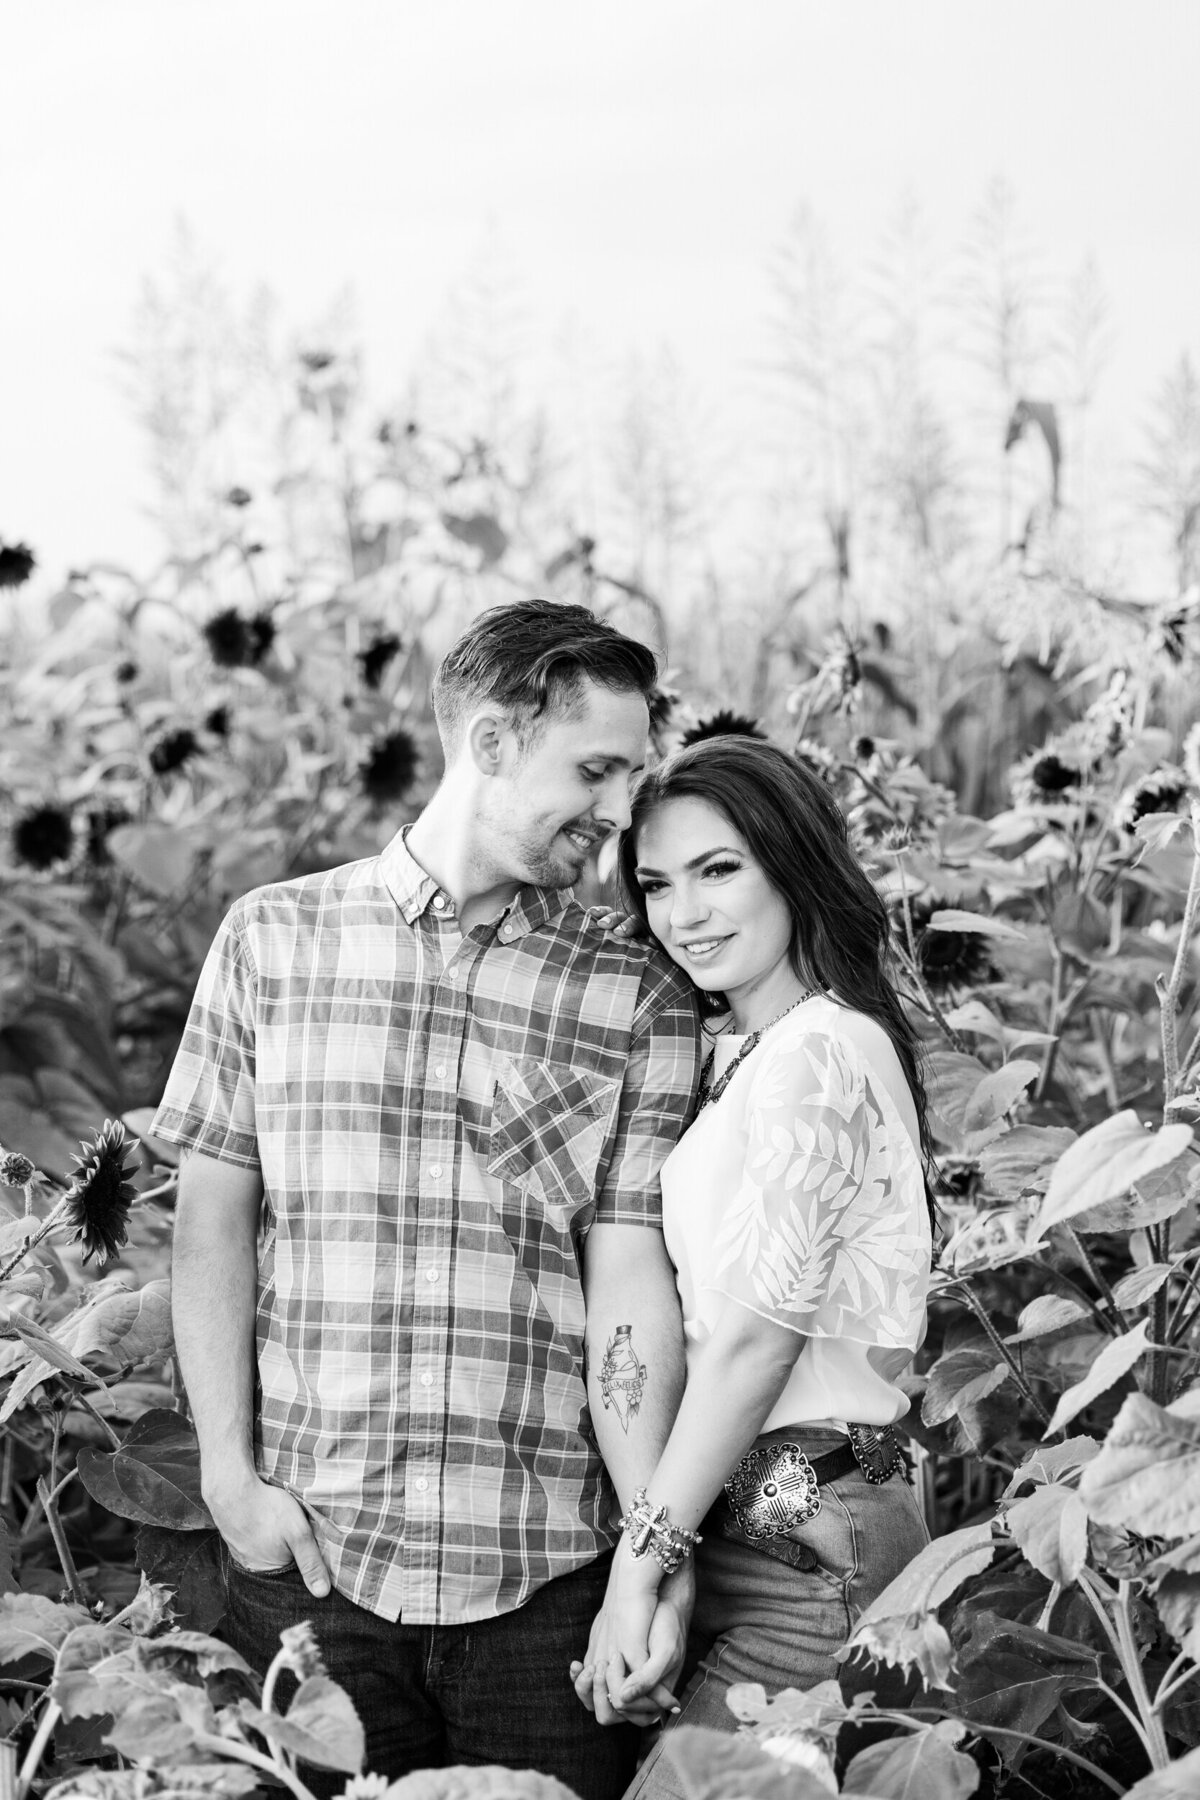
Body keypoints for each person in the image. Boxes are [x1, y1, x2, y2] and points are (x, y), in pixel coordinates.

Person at [151, 599, 703, 1800]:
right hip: (310, 1561)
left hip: (542, 1576)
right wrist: (227, 1479)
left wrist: (650, 1558)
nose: (618, 812)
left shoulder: (637, 993)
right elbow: (211, 1224)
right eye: (595, 769)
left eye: (630, 777)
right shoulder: (272, 942)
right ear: (493, 741)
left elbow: (627, 1287)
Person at [571, 735, 934, 1799]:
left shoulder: (819, 1051)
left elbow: (750, 1346)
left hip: (809, 1544)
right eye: (657, 884)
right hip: (761, 1524)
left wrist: (637, 1572)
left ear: (791, 861)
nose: (686, 912)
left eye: (719, 869)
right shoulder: (748, 1051)